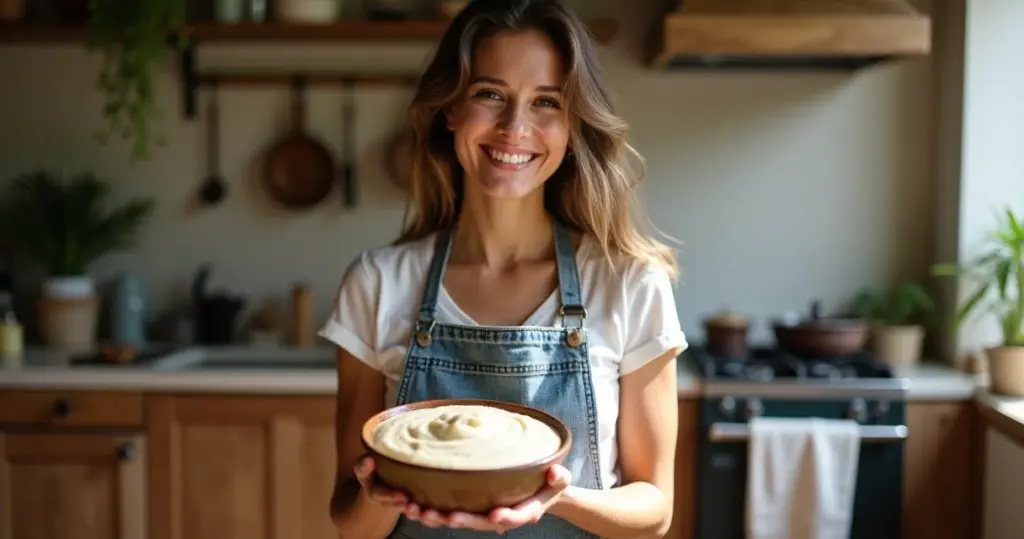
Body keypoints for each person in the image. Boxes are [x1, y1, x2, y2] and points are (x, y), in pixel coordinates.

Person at [320, 0, 686, 537]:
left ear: (573, 125)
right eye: (490, 94)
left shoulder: (629, 282)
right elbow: (351, 522)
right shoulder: (377, 285)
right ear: (450, 109)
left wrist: (553, 498)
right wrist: (385, 494)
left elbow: (654, 510)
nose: (515, 127)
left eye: (546, 102)